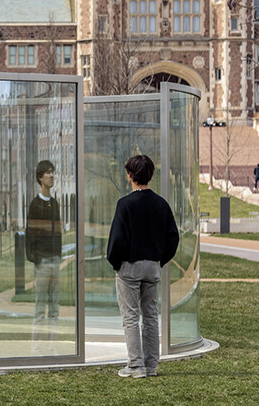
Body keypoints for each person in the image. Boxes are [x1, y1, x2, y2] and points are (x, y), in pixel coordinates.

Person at [107, 155, 180, 378]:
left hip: (129, 267)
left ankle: (135, 366)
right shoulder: (161, 204)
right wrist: (159, 260)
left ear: (130, 175)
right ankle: (151, 366)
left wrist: (116, 262)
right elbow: (173, 238)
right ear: (150, 175)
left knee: (130, 317)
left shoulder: (125, 204)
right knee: (150, 316)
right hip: (152, 267)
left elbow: (117, 240)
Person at [25, 160, 62, 344]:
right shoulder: (35, 205)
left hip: (55, 261)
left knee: (55, 307)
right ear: (40, 178)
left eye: (52, 172)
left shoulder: (55, 204)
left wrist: (59, 255)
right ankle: (37, 347)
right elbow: (30, 235)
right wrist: (36, 259)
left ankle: (52, 344)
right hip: (43, 263)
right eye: (47, 173)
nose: (51, 175)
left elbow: (59, 232)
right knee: (40, 308)